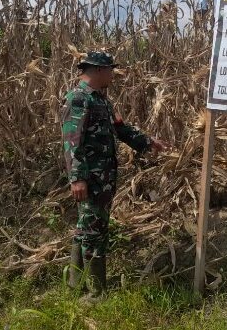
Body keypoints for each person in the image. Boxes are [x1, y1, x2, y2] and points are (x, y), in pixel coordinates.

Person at [60, 51, 168, 301]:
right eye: (110, 70)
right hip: (90, 179)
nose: (112, 75)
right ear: (98, 70)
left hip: (103, 178)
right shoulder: (78, 99)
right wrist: (76, 178)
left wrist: (148, 142)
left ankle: (76, 284)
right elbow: (71, 141)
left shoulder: (102, 101)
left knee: (87, 228)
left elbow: (120, 129)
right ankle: (96, 292)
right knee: (93, 231)